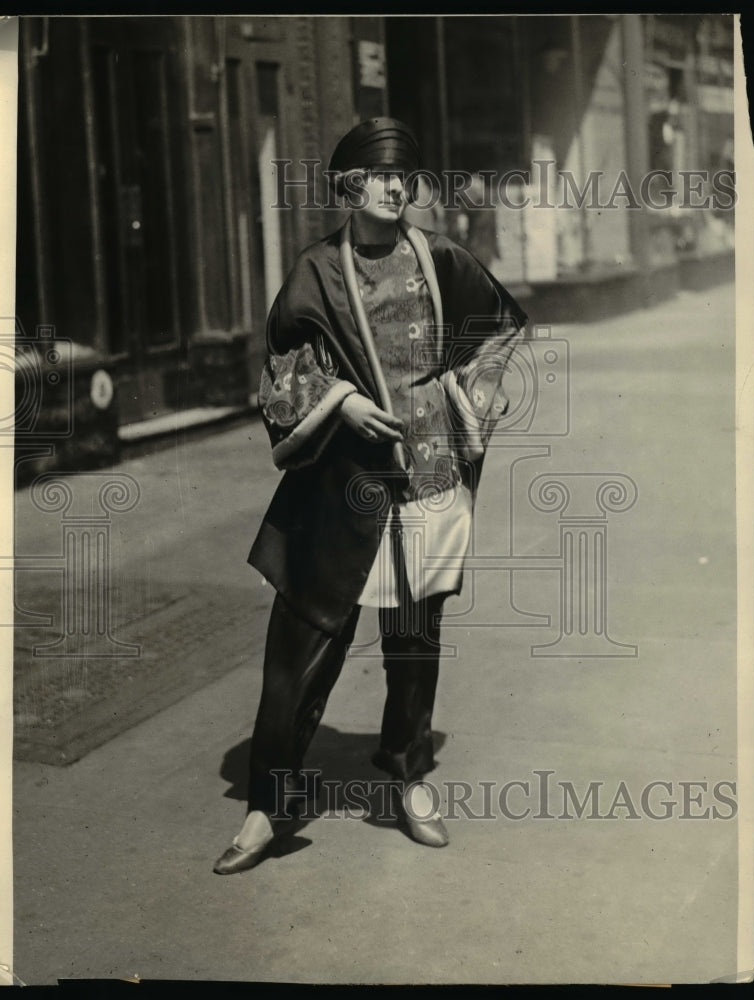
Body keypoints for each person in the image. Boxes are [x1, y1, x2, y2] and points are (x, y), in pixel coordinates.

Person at [214, 118, 527, 874]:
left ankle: (408, 772)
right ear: (349, 186)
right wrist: (342, 403)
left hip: (427, 479)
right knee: (305, 642)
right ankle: (267, 803)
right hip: (344, 485)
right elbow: (283, 366)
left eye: (405, 176)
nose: (397, 188)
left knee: (414, 642)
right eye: (381, 176)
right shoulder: (316, 271)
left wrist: (463, 402)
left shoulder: (439, 257)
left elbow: (499, 333)